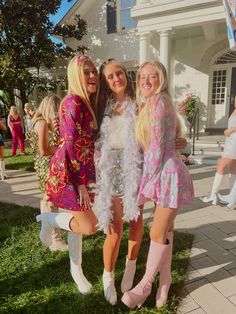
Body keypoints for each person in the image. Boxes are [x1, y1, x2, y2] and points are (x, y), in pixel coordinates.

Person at [94, 59, 189, 306]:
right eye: (110, 76)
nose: (116, 79)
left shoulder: (141, 104)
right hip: (111, 171)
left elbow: (163, 133)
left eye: (120, 74)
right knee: (115, 230)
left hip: (138, 169)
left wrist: (178, 141)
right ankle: (108, 277)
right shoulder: (99, 106)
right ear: (105, 81)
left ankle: (131, 271)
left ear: (127, 76)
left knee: (138, 225)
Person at [121, 61, 194, 309]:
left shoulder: (158, 102)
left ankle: (145, 285)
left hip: (167, 176)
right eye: (142, 77)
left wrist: (144, 187)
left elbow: (156, 151)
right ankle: (166, 280)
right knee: (167, 231)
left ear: (161, 78)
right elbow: (167, 141)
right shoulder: (152, 104)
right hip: (163, 175)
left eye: (153, 76)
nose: (146, 81)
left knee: (156, 232)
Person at [36, 55, 99, 295]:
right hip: (71, 172)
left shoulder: (82, 102)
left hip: (79, 170)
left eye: (94, 71)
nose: (93, 76)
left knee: (81, 225)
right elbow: (72, 145)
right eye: (86, 72)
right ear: (75, 75)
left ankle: (77, 271)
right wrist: (82, 183)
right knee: (89, 226)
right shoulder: (74, 102)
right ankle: (48, 220)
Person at [31, 94, 67, 251]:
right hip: (47, 168)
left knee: (49, 200)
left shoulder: (39, 122)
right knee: (50, 201)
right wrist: (62, 149)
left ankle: (50, 233)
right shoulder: (42, 123)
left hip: (45, 167)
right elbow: (44, 150)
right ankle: (54, 239)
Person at [200, 97, 236, 206]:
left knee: (220, 165)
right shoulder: (234, 110)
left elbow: (232, 128)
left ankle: (213, 195)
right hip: (231, 142)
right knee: (233, 168)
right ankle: (232, 197)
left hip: (234, 143)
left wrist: (231, 129)